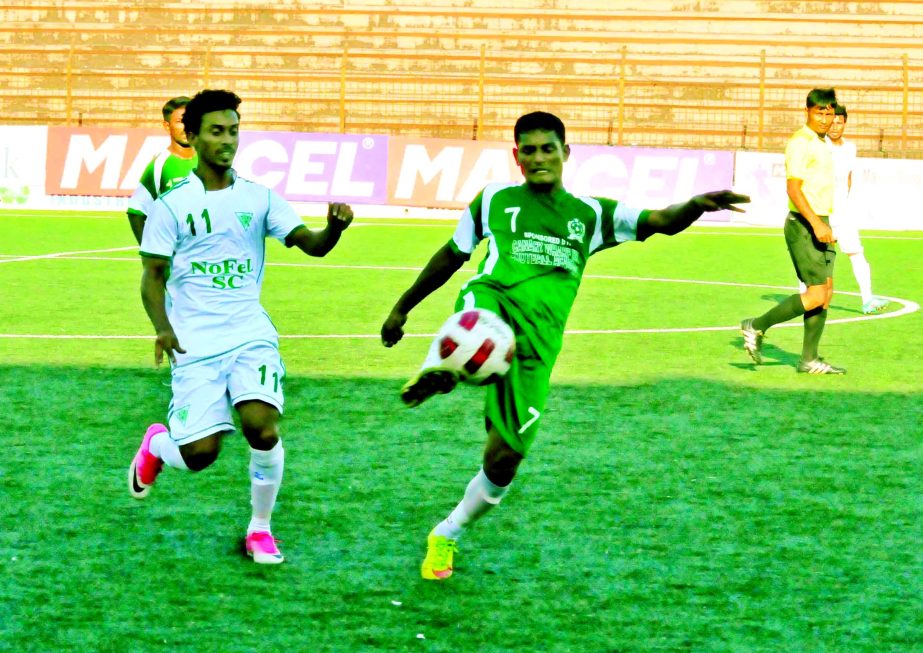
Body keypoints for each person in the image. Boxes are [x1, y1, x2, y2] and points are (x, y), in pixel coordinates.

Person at [380, 111, 750, 580]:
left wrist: (695, 204)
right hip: (494, 304)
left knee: (503, 461)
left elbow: (660, 221)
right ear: (516, 156)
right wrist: (402, 306)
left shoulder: (590, 214)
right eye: (528, 150)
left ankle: (446, 534)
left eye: (547, 148)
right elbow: (451, 256)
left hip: (539, 346)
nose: (538, 158)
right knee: (479, 315)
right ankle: (445, 365)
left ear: (565, 153)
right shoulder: (493, 199)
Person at [128, 89, 353, 564]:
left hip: (250, 333)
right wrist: (163, 327)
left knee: (262, 428)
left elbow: (311, 244)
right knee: (199, 455)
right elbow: (151, 276)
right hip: (194, 343)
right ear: (192, 136)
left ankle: (260, 529)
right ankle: (157, 445)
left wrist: (332, 228)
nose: (227, 140)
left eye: (233, 130)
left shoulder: (260, 197)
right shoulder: (170, 206)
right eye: (216, 131)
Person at [741, 88, 846, 375]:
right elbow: (794, 189)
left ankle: (809, 360)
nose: (825, 119)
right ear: (807, 112)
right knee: (815, 294)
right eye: (819, 113)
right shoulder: (801, 142)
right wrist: (816, 223)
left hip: (820, 222)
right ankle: (756, 325)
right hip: (805, 224)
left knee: (825, 293)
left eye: (829, 113)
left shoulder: (821, 142)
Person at [826, 104, 888, 314]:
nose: (835, 126)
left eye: (839, 122)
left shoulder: (850, 148)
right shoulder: (819, 145)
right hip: (822, 212)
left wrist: (849, 203)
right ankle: (805, 299)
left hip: (843, 213)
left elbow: (850, 177)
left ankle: (868, 299)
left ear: (845, 123)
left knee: (856, 253)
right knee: (818, 258)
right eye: (832, 121)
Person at [127, 96, 198, 245]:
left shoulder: (210, 160)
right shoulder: (159, 165)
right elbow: (136, 211)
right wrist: (150, 251)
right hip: (178, 260)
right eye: (180, 122)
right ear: (167, 126)